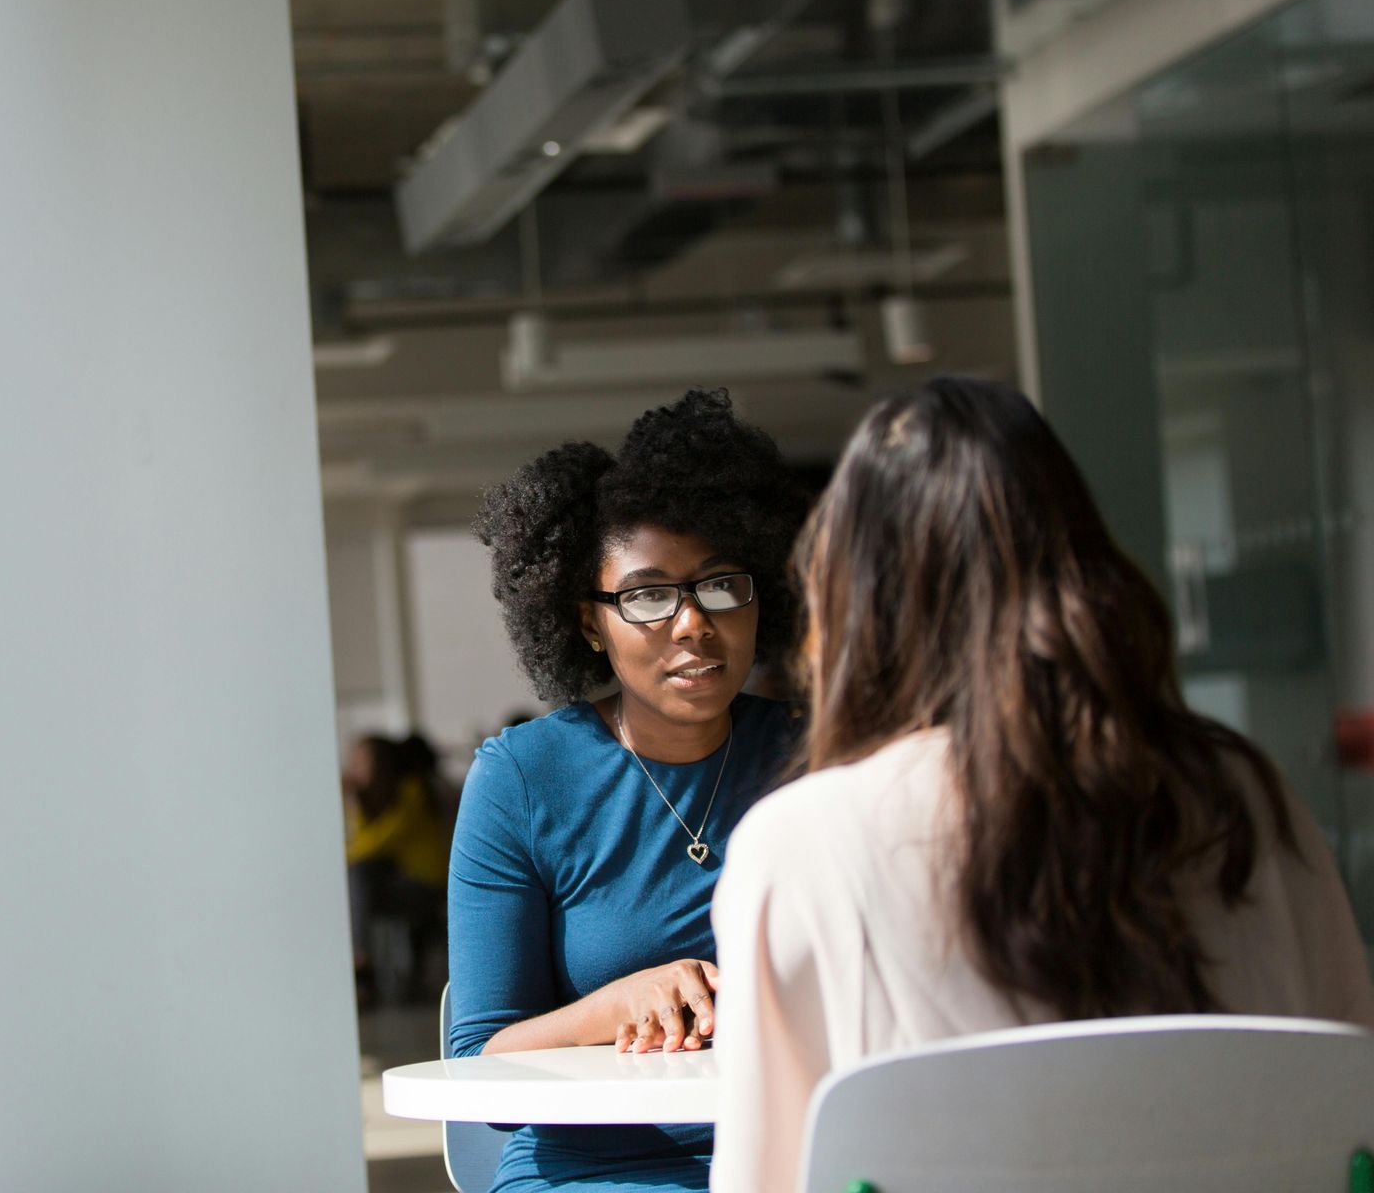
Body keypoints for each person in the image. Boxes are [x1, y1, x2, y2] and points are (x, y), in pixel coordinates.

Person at [709, 378, 1374, 1193]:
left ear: (856, 600)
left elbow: (760, 1179)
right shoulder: (1245, 796)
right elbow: (1353, 1115)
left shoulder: (803, 846)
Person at [450, 389, 808, 1193]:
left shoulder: (814, 755)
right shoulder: (523, 779)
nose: (693, 623)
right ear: (587, 623)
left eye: (721, 585)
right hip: (597, 1171)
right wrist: (619, 1006)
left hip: (798, 1155)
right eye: (648, 596)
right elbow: (479, 1068)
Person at [344, 734, 449, 1004]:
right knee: (358, 878)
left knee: (358, 876)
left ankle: (361, 961)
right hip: (399, 882)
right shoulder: (375, 801)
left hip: (424, 887)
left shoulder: (411, 792)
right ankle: (361, 962)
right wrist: (356, 806)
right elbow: (365, 842)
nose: (355, 770)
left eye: (361, 763)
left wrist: (338, 858)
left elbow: (377, 842)